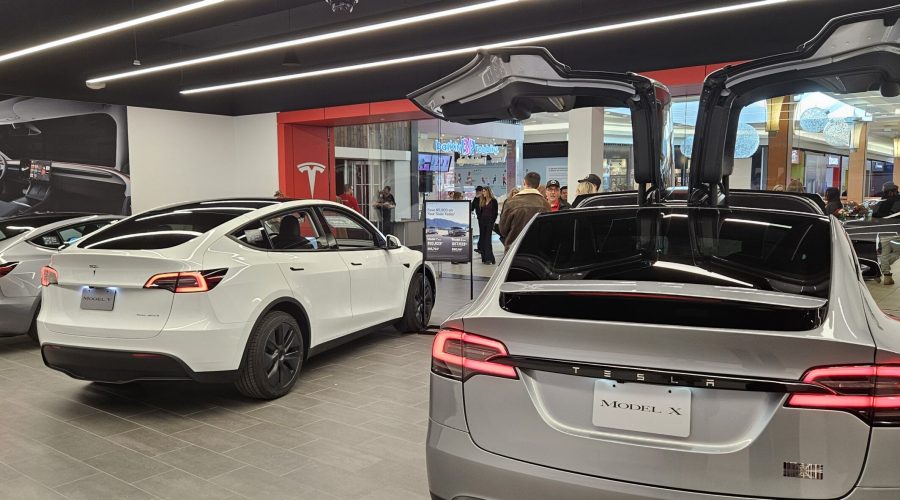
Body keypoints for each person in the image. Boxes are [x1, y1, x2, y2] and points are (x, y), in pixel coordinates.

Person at [499, 172, 550, 251]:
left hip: (514, 251)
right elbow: (547, 231)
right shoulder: (545, 204)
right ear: (538, 185)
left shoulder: (510, 202)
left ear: (524, 182)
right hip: (538, 253)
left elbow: (503, 230)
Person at [873, 182, 900, 285]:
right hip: (896, 231)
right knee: (897, 252)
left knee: (885, 253)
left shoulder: (882, 200)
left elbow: (875, 214)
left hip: (883, 231)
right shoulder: (898, 199)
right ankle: (882, 269)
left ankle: (885, 273)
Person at [477, 187, 498, 264]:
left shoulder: (493, 201)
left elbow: (495, 213)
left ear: (488, 192)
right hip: (482, 222)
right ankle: (484, 258)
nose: (483, 193)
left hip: (489, 222)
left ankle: (490, 258)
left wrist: (492, 222)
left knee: (487, 240)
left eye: (484, 191)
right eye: (482, 191)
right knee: (482, 239)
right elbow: (481, 212)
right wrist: (479, 218)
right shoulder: (482, 200)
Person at [472, 186, 484, 254]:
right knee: (482, 233)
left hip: (485, 218)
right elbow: (472, 207)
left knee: (483, 233)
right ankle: (480, 248)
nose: (477, 192)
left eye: (478, 191)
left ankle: (481, 248)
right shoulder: (476, 199)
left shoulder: (485, 198)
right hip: (480, 218)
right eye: (476, 191)